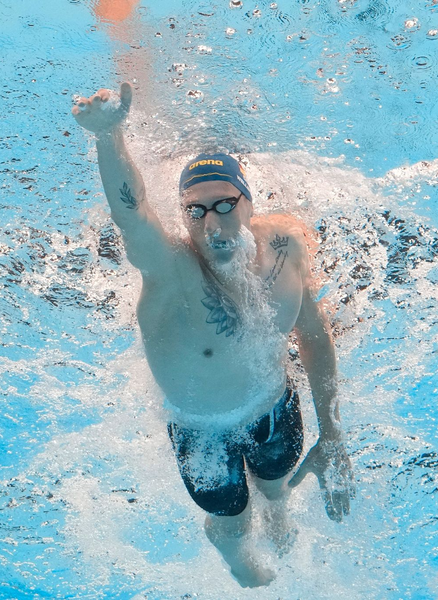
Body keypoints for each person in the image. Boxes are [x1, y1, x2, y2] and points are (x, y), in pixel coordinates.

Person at [71, 82, 354, 587]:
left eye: (223, 204)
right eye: (195, 210)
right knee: (233, 526)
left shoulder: (286, 245)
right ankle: (235, 557)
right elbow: (131, 215)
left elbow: (313, 334)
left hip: (273, 404)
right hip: (203, 432)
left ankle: (278, 510)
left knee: (276, 488)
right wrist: (108, 138)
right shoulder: (172, 269)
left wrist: (332, 437)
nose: (211, 223)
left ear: (248, 202)